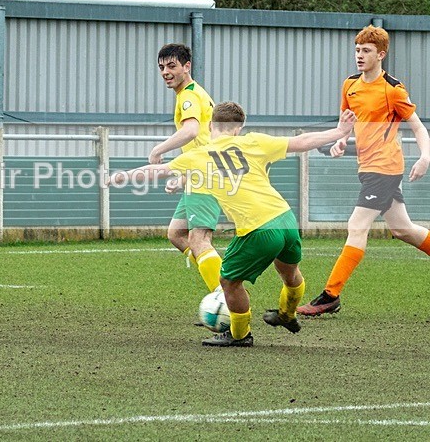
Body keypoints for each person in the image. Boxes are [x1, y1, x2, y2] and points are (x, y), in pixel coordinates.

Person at [111, 102, 357, 346]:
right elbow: (301, 142)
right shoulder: (254, 142)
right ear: (239, 128)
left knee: (228, 282)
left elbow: (157, 171)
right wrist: (339, 132)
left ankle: (239, 335)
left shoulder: (199, 155)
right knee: (290, 273)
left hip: (258, 229)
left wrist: (119, 177)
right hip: (285, 219)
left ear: (210, 125)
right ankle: (287, 314)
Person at [297, 25, 430, 316]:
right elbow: (346, 122)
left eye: (366, 51)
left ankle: (330, 295)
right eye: (357, 50)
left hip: (386, 168)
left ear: (381, 54)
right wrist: (341, 141)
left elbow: (418, 127)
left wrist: (425, 157)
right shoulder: (350, 85)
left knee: (357, 226)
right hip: (368, 168)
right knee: (402, 229)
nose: (359, 55)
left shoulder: (393, 90)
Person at [148, 44, 222, 293]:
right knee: (177, 234)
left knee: (199, 240)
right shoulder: (194, 93)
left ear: (186, 66)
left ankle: (226, 298)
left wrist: (159, 149)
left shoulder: (189, 95)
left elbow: (191, 131)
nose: (165, 72)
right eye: (161, 67)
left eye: (171, 66)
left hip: (206, 174)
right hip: (198, 173)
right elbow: (203, 139)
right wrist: (182, 177)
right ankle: (222, 290)